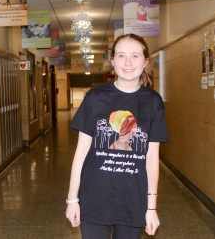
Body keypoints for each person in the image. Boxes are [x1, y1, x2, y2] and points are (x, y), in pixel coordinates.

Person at [66, 33, 169, 239]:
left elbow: (151, 159)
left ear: (146, 61)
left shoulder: (153, 101)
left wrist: (151, 207)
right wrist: (72, 200)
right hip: (94, 196)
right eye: (121, 56)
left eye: (135, 56)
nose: (128, 63)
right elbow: (81, 153)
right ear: (112, 61)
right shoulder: (95, 97)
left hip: (133, 199)